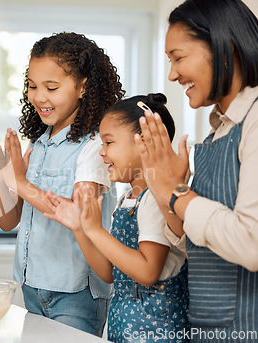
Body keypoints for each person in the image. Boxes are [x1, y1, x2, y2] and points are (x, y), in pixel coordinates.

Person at [0, 32, 124, 335]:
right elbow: (8, 221)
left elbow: (76, 213)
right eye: (32, 86)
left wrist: (16, 180)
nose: (39, 96)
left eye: (52, 87)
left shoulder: (95, 146)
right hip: (31, 288)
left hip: (75, 295)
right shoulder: (39, 144)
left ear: (83, 86)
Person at [134, 0, 258, 341]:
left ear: (225, 48)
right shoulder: (217, 131)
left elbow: (251, 243)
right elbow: (207, 246)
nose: (172, 74)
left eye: (178, 57)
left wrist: (178, 193)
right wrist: (165, 197)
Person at [44, 94, 189, 343]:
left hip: (157, 332)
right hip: (125, 330)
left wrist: (97, 231)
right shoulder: (127, 199)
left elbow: (147, 271)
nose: (101, 152)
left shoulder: (155, 200)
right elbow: (111, 273)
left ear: (143, 141)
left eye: (108, 142)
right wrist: (82, 229)